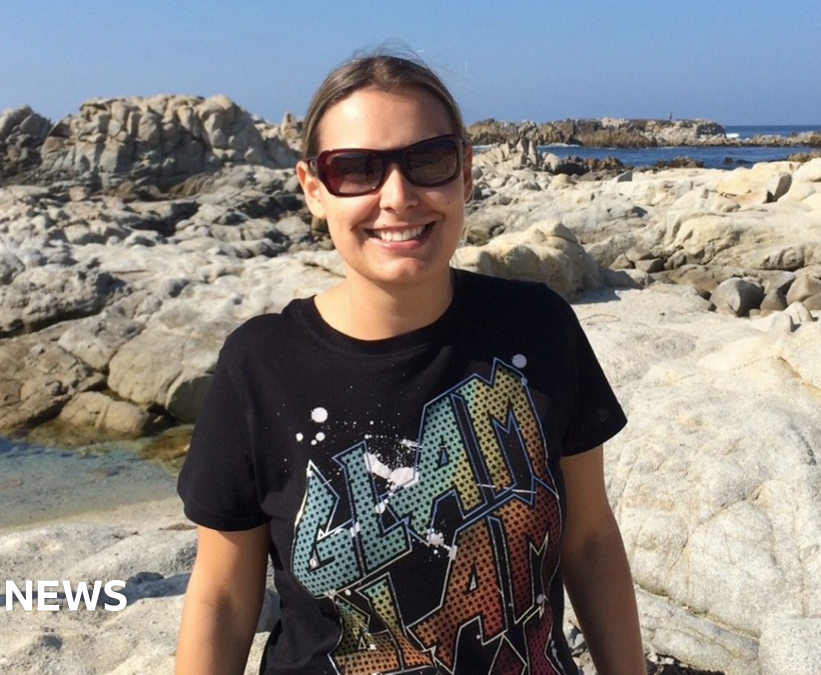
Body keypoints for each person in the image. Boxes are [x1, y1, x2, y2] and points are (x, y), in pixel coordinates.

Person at [175, 52, 646, 675]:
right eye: (356, 170)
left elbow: (588, 540)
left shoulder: (538, 327)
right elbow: (223, 596)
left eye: (427, 161)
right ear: (314, 190)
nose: (397, 197)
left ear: (465, 173)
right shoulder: (260, 366)